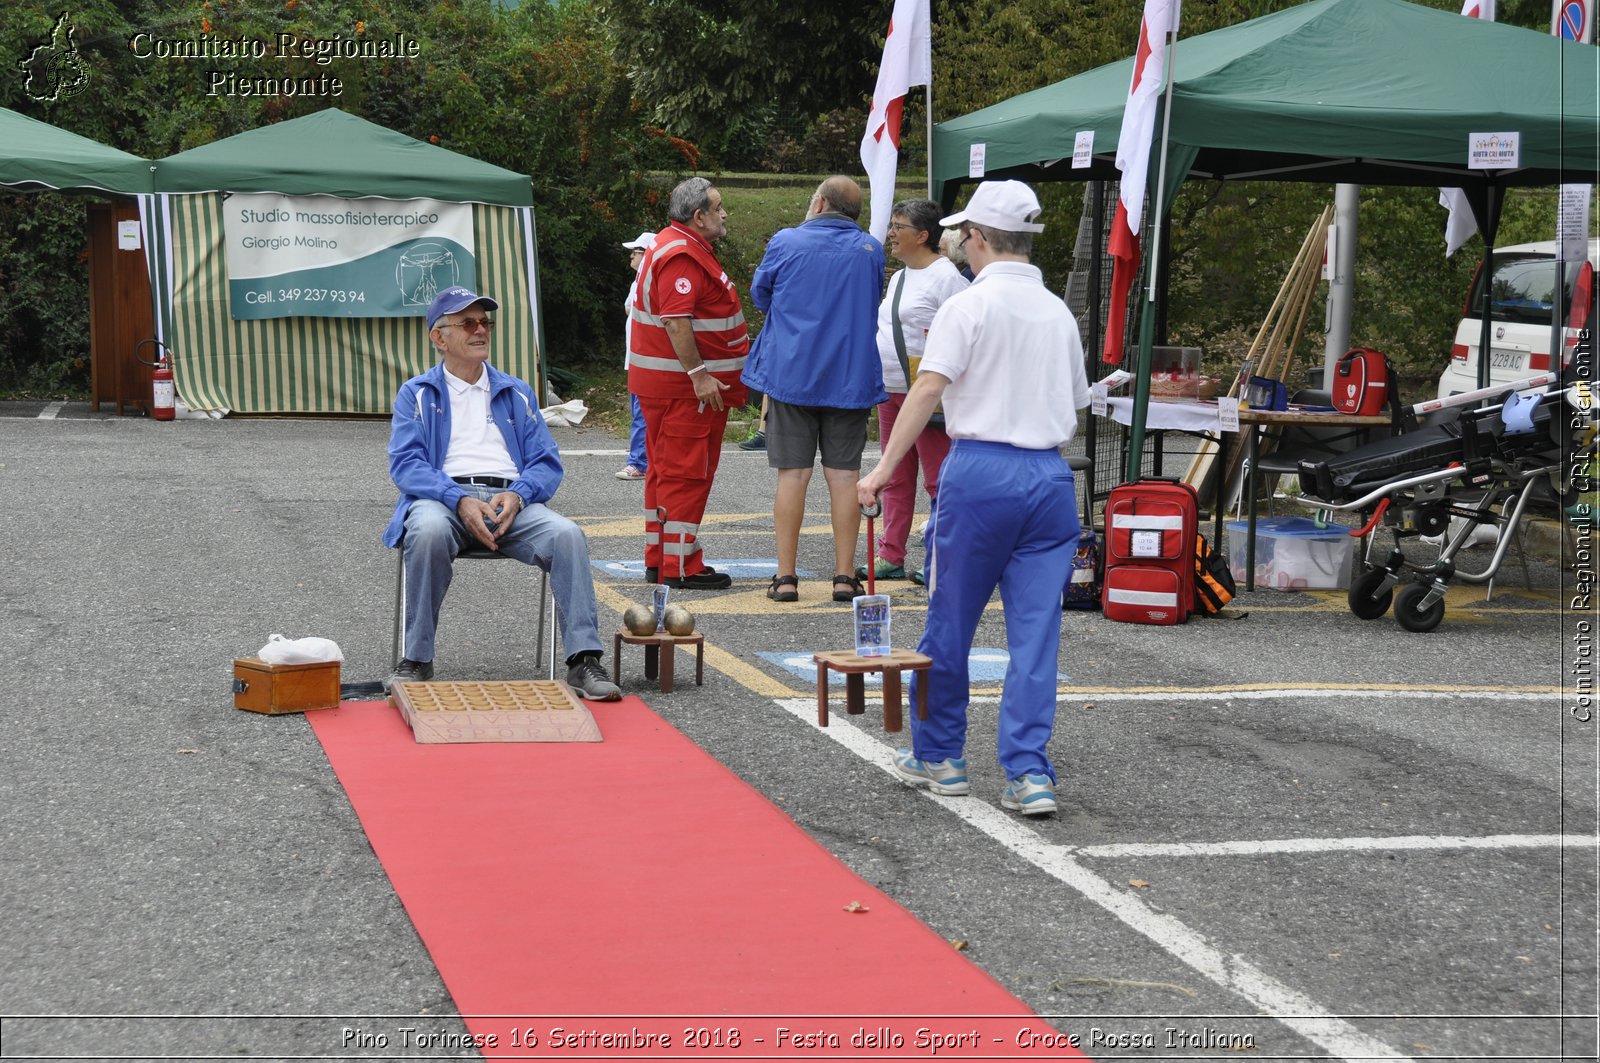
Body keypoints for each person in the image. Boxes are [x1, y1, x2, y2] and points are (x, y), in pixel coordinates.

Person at [858, 180, 1091, 816]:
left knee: (951, 619)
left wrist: (881, 471)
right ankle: (1029, 771)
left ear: (979, 238)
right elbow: (1077, 400)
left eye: (965, 234)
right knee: (1036, 634)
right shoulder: (1057, 312)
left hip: (982, 472)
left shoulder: (967, 307)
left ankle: (941, 754)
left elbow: (927, 391)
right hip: (1048, 478)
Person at [383, 285, 621, 701]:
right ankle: (416, 659)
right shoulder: (416, 393)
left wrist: (520, 494)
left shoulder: (516, 391)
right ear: (439, 338)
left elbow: (547, 461)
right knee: (427, 532)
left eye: (485, 323)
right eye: (468, 323)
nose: (480, 331)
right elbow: (406, 465)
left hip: (509, 500)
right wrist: (457, 497)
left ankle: (583, 661)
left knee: (567, 535)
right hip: (444, 499)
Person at [741, 176, 886, 603]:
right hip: (850, 378)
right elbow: (871, 297)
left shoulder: (786, 241)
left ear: (819, 203)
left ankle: (785, 577)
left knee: (794, 474)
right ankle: (845, 576)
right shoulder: (870, 250)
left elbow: (761, 295)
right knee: (845, 477)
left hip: (792, 374)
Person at [627, 177, 750, 589]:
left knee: (663, 472)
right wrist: (700, 376)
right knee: (685, 475)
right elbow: (676, 321)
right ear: (698, 216)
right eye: (718, 208)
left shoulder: (671, 242)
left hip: (665, 386)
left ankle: (659, 558)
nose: (724, 214)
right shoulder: (682, 255)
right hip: (684, 392)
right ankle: (680, 567)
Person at [859, 199, 969, 585]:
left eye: (898, 226)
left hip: (926, 394)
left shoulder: (948, 279)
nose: (890, 233)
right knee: (895, 475)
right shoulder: (901, 275)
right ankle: (891, 554)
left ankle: (940, 558)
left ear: (922, 236)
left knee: (937, 479)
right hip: (891, 389)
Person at [615, 232, 656, 481]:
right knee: (638, 411)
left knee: (642, 412)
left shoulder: (650, 280)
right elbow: (628, 307)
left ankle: (639, 461)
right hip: (635, 358)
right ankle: (645, 458)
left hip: (646, 359)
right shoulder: (637, 281)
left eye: (637, 251)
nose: (632, 255)